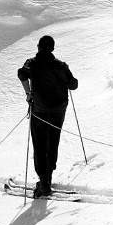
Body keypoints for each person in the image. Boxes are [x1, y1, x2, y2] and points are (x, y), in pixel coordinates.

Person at [18, 35, 78, 198]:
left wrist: (29, 93)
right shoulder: (61, 65)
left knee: (40, 146)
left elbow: (22, 74)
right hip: (58, 111)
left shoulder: (32, 63)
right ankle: (48, 180)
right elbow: (74, 84)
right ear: (52, 48)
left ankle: (44, 184)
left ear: (38, 47)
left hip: (40, 111)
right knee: (53, 143)